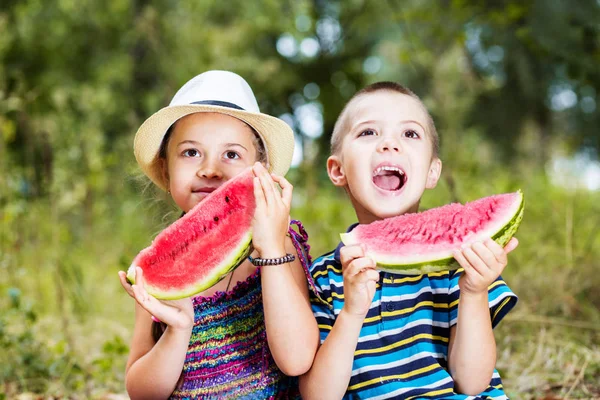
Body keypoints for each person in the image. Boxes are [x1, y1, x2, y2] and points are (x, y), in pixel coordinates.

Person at [299, 82, 519, 399]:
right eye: (368, 133)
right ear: (337, 170)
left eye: (410, 134)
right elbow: (318, 396)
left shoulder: (463, 262)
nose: (389, 144)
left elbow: (472, 382)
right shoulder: (324, 277)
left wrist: (473, 292)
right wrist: (351, 313)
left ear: (432, 172)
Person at [118, 70, 319, 399]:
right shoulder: (158, 269)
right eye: (191, 152)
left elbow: (296, 360)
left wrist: (270, 250)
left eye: (231, 154)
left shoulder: (279, 245)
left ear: (261, 171)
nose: (210, 169)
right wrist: (178, 329)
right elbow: (142, 392)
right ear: (166, 170)